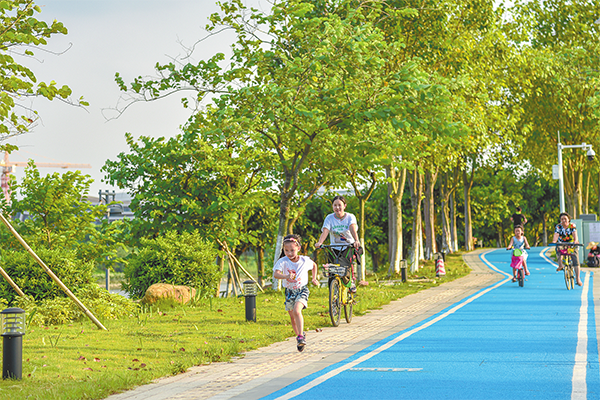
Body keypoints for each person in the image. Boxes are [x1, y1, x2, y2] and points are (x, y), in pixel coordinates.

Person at [273, 234, 319, 352]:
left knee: (297, 310)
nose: (289, 253)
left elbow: (314, 265)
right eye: (286, 250)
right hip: (289, 292)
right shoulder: (282, 261)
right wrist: (286, 276)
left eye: (292, 250)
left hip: (301, 290)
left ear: (298, 248)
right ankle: (300, 334)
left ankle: (300, 337)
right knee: (292, 317)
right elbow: (276, 274)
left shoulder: (304, 260)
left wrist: (314, 278)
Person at [314, 195, 361, 292]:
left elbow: (352, 228)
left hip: (348, 246)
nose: (337, 208)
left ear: (344, 206)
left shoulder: (350, 217)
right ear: (332, 207)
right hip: (335, 247)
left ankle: (351, 281)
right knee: (332, 269)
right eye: (335, 205)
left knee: (346, 265)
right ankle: (333, 290)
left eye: (340, 205)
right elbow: (325, 231)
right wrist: (320, 242)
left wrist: (356, 240)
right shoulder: (329, 218)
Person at [551, 212, 582, 286]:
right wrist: (554, 241)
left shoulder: (572, 226)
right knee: (558, 249)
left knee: (575, 259)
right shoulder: (558, 226)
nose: (563, 220)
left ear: (568, 219)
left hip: (571, 244)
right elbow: (556, 234)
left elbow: (575, 234)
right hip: (562, 243)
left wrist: (575, 241)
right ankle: (560, 265)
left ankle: (578, 279)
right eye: (562, 219)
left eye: (565, 219)